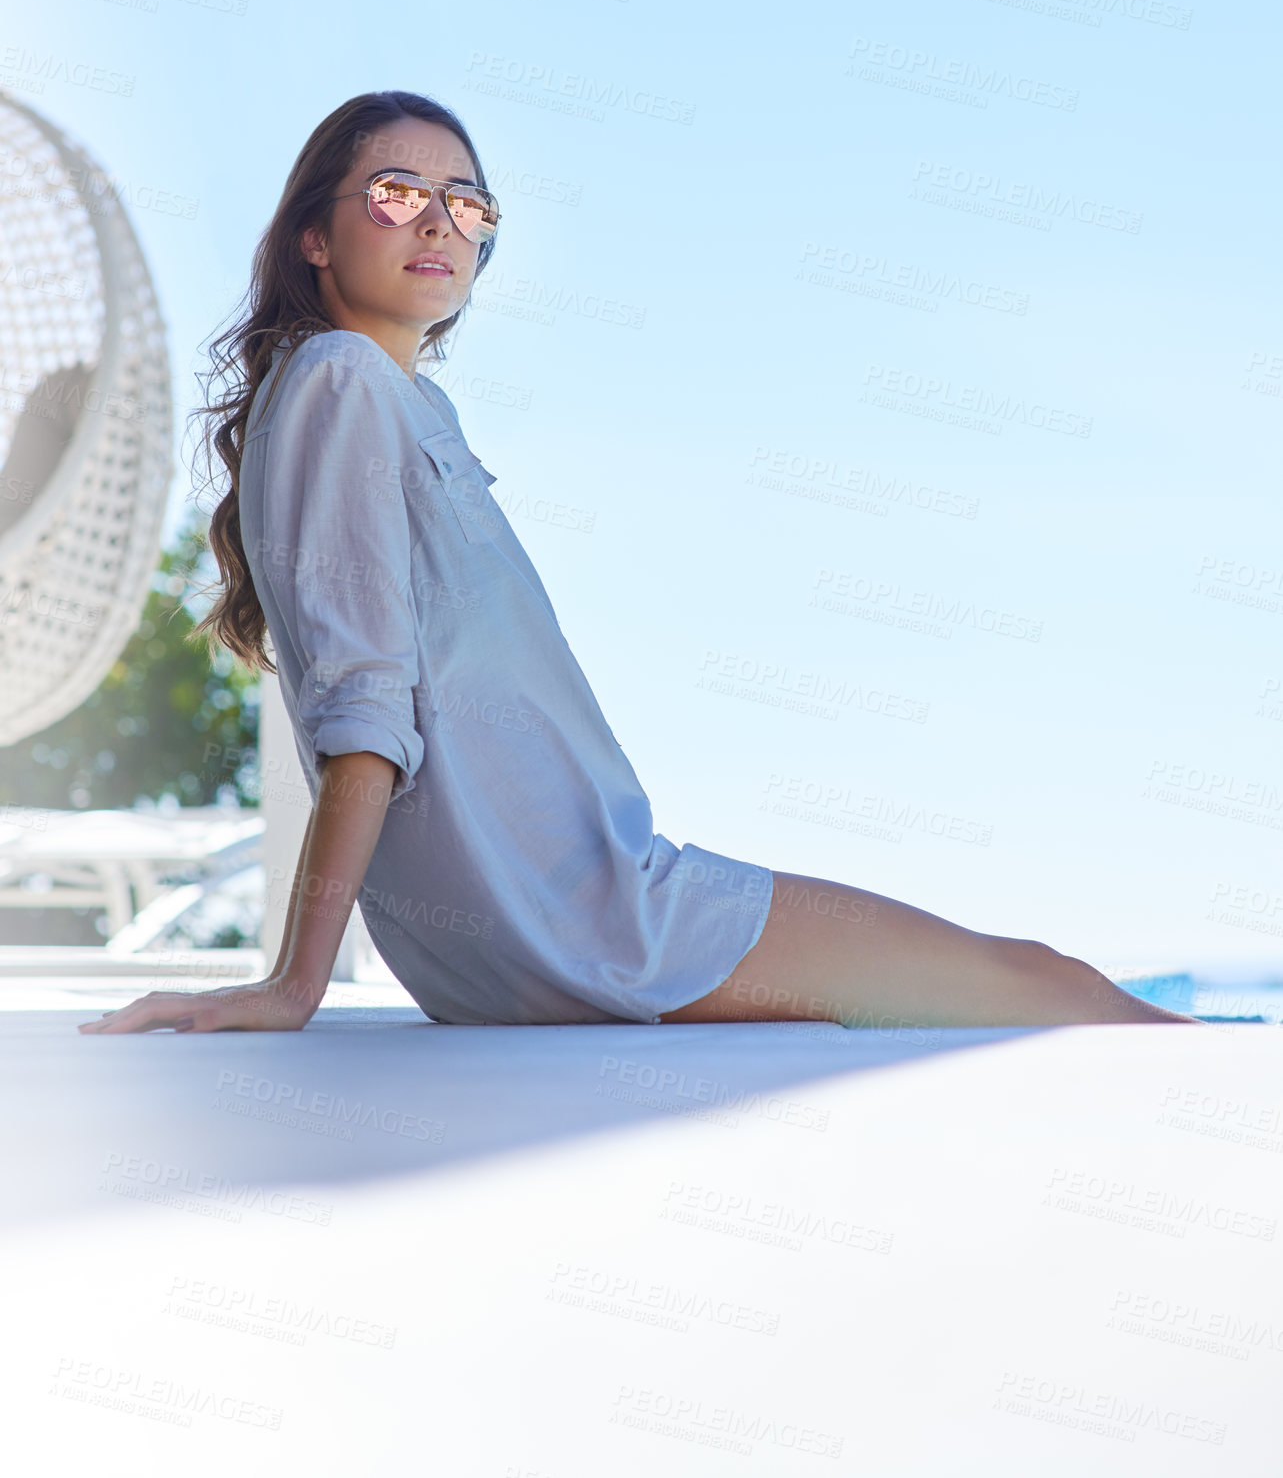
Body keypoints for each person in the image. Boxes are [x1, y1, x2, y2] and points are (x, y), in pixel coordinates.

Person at [78, 90, 1196, 1035]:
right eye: (395, 194)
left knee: (1040, 986)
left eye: (465, 202)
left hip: (527, 924)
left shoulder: (375, 399)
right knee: (1050, 987)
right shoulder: (343, 383)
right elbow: (364, 703)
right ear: (314, 235)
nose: (438, 223)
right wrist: (294, 985)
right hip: (596, 916)